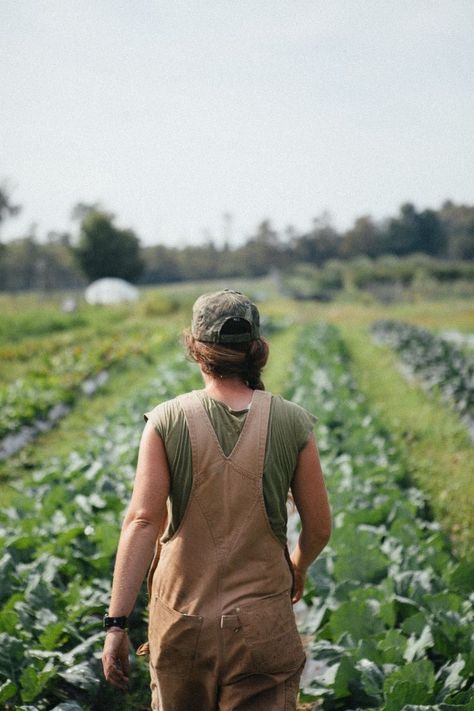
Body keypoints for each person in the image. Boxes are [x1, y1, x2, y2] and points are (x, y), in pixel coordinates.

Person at [102, 289, 331, 710]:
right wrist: (297, 568)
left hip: (181, 624)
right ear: (256, 349)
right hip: (264, 626)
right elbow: (318, 527)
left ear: (194, 348)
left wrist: (117, 624)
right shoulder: (292, 420)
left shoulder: (166, 420)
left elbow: (141, 522)